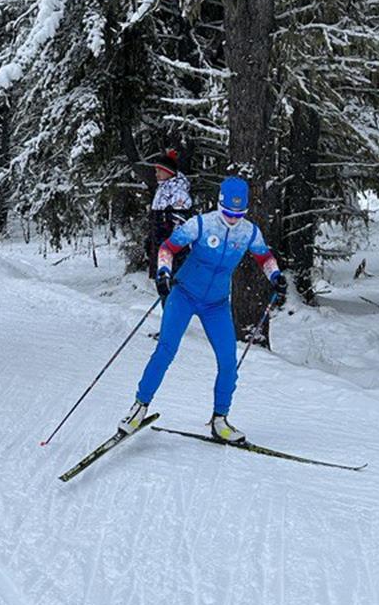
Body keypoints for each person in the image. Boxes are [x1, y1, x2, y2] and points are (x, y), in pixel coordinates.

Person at [120, 176, 287, 444]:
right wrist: (163, 272)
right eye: (228, 212)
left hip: (217, 304)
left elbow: (264, 257)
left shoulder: (249, 232)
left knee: (228, 361)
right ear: (220, 204)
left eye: (239, 213)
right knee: (166, 349)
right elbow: (167, 248)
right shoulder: (201, 224)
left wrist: (275, 275)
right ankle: (139, 407)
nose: (233, 218)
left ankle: (220, 420)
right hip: (184, 294)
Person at [147, 149, 192, 279]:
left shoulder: (178, 191)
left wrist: (169, 239)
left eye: (160, 171)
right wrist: (151, 240)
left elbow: (180, 224)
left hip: (173, 251)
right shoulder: (162, 189)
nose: (157, 174)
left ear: (169, 171)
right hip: (160, 247)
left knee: (172, 285)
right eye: (156, 171)